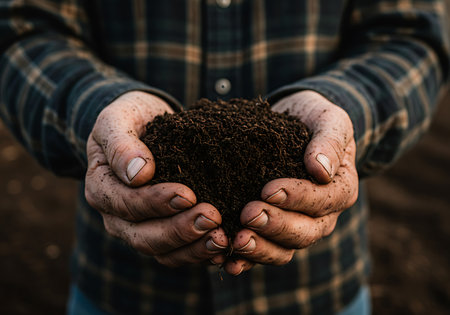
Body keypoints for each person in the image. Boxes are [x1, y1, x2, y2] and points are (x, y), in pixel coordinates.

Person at [0, 0, 448, 314]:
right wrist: (95, 108)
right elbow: (21, 30)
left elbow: (410, 35)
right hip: (123, 289)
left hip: (318, 291)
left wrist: (346, 109)